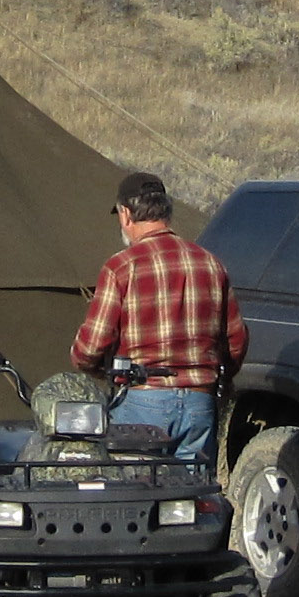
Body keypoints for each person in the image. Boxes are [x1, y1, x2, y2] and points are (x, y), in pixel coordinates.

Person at [69, 169, 244, 464]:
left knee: (135, 498)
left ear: (126, 214)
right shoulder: (211, 264)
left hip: (142, 400)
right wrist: (216, 381)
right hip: (199, 401)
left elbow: (90, 347)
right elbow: (236, 340)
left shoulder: (120, 267)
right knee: (191, 499)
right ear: (166, 210)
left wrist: (100, 370)